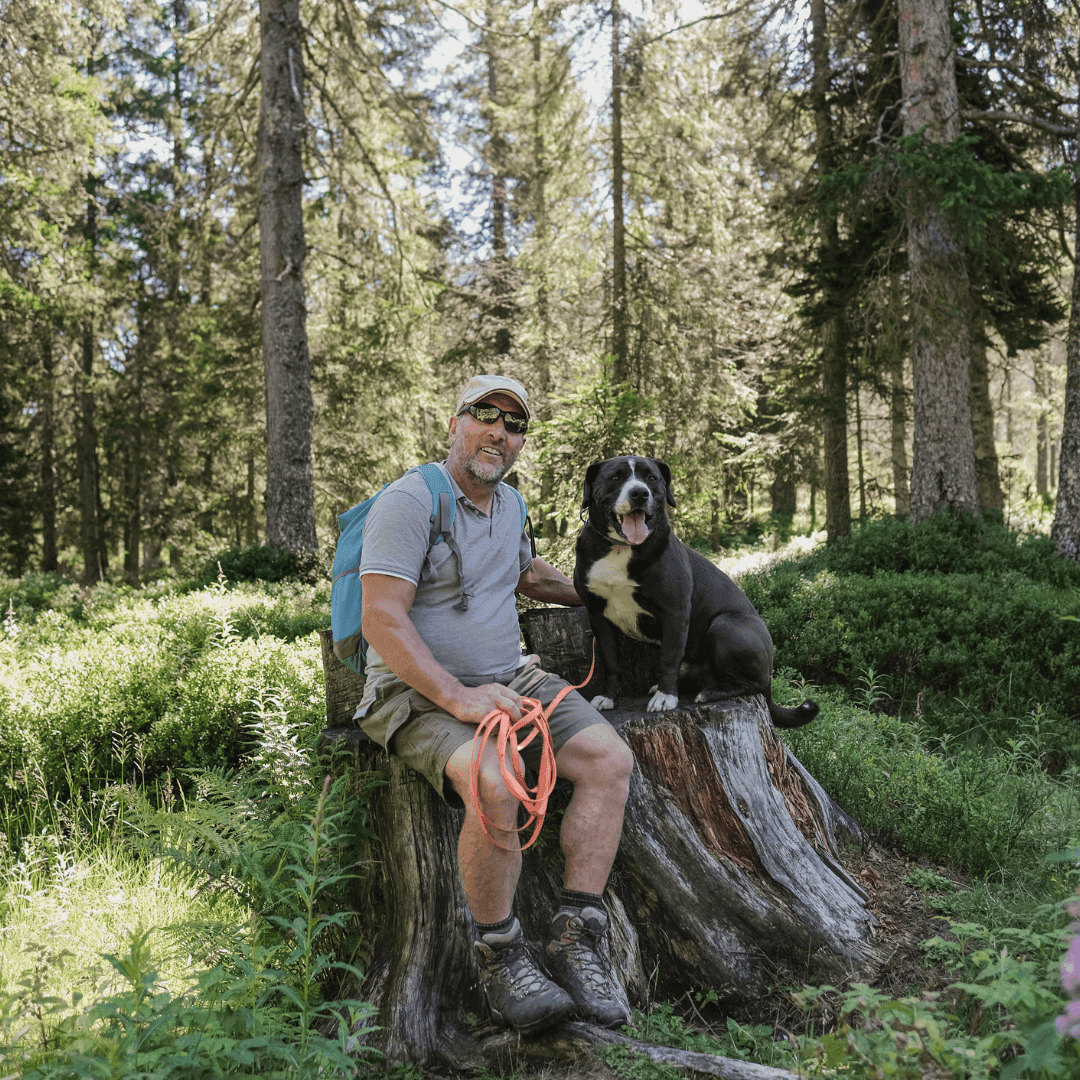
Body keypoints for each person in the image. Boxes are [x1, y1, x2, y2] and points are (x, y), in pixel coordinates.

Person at [356, 373, 635, 1033]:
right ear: (455, 423)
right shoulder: (410, 501)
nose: (500, 432)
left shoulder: (510, 505)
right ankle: (500, 953)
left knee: (609, 761)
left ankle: (576, 935)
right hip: (413, 696)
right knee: (495, 780)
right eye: (486, 415)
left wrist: (601, 595)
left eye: (514, 425)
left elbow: (526, 572)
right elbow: (382, 619)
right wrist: (458, 697)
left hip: (511, 677)